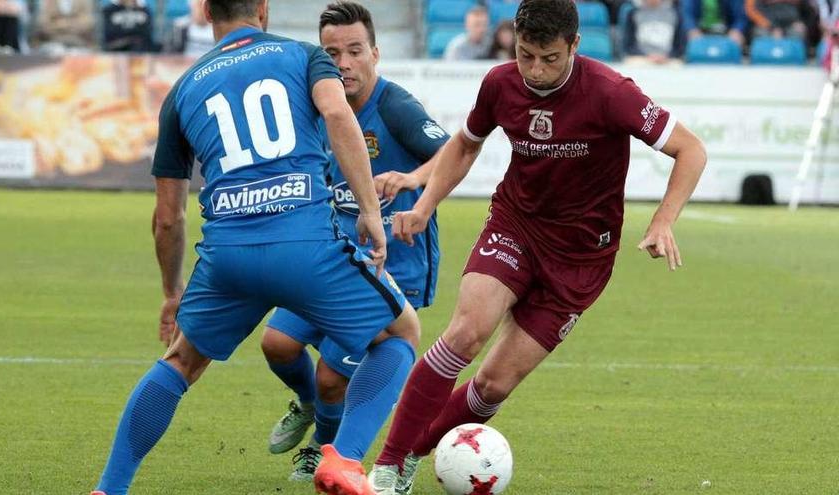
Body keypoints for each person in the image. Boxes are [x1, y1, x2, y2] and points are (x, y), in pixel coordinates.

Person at [366, 0, 708, 493]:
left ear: (574, 45)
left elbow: (690, 149)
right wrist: (425, 204)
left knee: (492, 386)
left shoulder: (612, 93)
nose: (536, 70)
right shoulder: (500, 84)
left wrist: (664, 220)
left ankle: (417, 452)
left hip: (581, 259)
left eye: (549, 58)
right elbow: (464, 144)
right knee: (465, 333)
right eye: (526, 55)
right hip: (516, 227)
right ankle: (387, 464)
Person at [88, 0, 421, 493]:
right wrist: (370, 212)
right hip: (305, 244)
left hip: (227, 258)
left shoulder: (182, 91)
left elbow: (167, 218)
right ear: (263, 8)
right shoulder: (306, 56)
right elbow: (336, 113)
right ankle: (344, 460)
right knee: (399, 335)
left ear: (204, 11)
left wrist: (171, 291)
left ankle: (109, 488)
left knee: (179, 362)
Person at [259, 1, 447, 483]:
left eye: (354, 51)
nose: (343, 63)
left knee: (332, 377)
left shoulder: (395, 107)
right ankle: (307, 408)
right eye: (332, 52)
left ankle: (327, 449)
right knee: (277, 344)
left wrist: (411, 180)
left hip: (392, 268)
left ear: (375, 54)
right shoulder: (321, 107)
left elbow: (453, 154)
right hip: (335, 259)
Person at [622, 0, 684, 65]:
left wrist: (667, 56)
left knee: (677, 64)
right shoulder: (633, 14)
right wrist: (647, 56)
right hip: (641, 58)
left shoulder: (675, 14)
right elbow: (628, 45)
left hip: (668, 59)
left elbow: (680, 45)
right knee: (632, 63)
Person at [680, 0, 748, 46]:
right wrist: (692, 29)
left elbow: (740, 16)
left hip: (726, 32)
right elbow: (686, 14)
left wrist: (737, 30)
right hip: (699, 31)